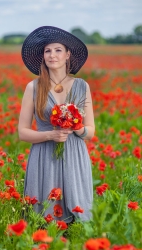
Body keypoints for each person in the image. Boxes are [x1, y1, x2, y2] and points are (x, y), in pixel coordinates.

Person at [18, 26, 95, 224]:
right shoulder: (33, 87)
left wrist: (77, 128)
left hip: (74, 155)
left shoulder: (81, 86)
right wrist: (50, 135)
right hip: (44, 156)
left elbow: (90, 132)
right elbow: (22, 132)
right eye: (47, 51)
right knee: (43, 218)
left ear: (68, 54)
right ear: (43, 56)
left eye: (58, 50)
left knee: (77, 216)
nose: (52, 55)